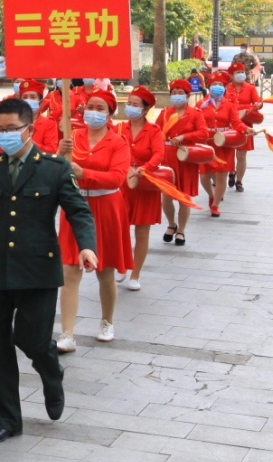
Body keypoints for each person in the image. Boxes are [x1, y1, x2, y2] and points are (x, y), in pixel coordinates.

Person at [0, 97, 97, 444]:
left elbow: (78, 210)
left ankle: (50, 369)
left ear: (30, 129)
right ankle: (4, 419)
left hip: (38, 270)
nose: (3, 136)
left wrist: (86, 245)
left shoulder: (53, 167)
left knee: (32, 339)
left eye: (11, 130)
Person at [55, 89, 131, 350]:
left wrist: (84, 171)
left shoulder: (118, 142)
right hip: (75, 206)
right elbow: (55, 170)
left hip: (107, 206)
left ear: (110, 114)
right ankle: (67, 333)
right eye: (90, 106)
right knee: (69, 271)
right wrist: (58, 153)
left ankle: (107, 321)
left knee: (105, 271)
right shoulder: (71, 137)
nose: (94, 112)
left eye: (100, 108)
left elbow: (118, 178)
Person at [117, 86, 164, 292]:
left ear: (145, 110)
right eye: (129, 104)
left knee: (142, 231)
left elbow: (158, 154)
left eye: (136, 105)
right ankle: (122, 264)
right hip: (122, 185)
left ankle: (135, 273)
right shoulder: (119, 129)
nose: (131, 108)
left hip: (145, 184)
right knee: (120, 229)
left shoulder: (154, 131)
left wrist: (144, 168)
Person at [157, 79, 207, 247]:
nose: (177, 96)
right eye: (174, 93)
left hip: (185, 157)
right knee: (166, 195)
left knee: (184, 197)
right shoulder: (164, 113)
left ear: (187, 95)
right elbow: (155, 132)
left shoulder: (195, 114)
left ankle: (181, 230)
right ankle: (171, 224)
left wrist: (185, 137)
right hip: (167, 157)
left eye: (180, 93)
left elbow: (203, 133)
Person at [198, 70, 249, 217]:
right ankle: (212, 194)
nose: (217, 86)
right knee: (204, 176)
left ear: (225, 87)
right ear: (209, 86)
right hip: (207, 143)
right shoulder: (202, 104)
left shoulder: (230, 104)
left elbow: (236, 122)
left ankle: (215, 205)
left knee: (222, 175)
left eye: (220, 84)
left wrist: (246, 129)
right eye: (214, 84)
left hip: (224, 142)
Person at [227, 62, 260, 193]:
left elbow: (257, 102)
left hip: (246, 124)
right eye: (237, 73)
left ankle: (239, 181)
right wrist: (245, 107)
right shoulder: (226, 88)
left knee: (241, 155)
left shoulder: (250, 88)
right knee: (229, 153)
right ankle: (231, 172)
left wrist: (258, 105)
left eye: (242, 72)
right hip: (230, 124)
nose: (240, 75)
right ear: (231, 75)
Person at [15, 79, 59, 153]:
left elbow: (52, 150)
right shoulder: (13, 122)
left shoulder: (48, 123)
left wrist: (32, 145)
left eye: (33, 97)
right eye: (25, 97)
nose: (28, 100)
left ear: (40, 101)